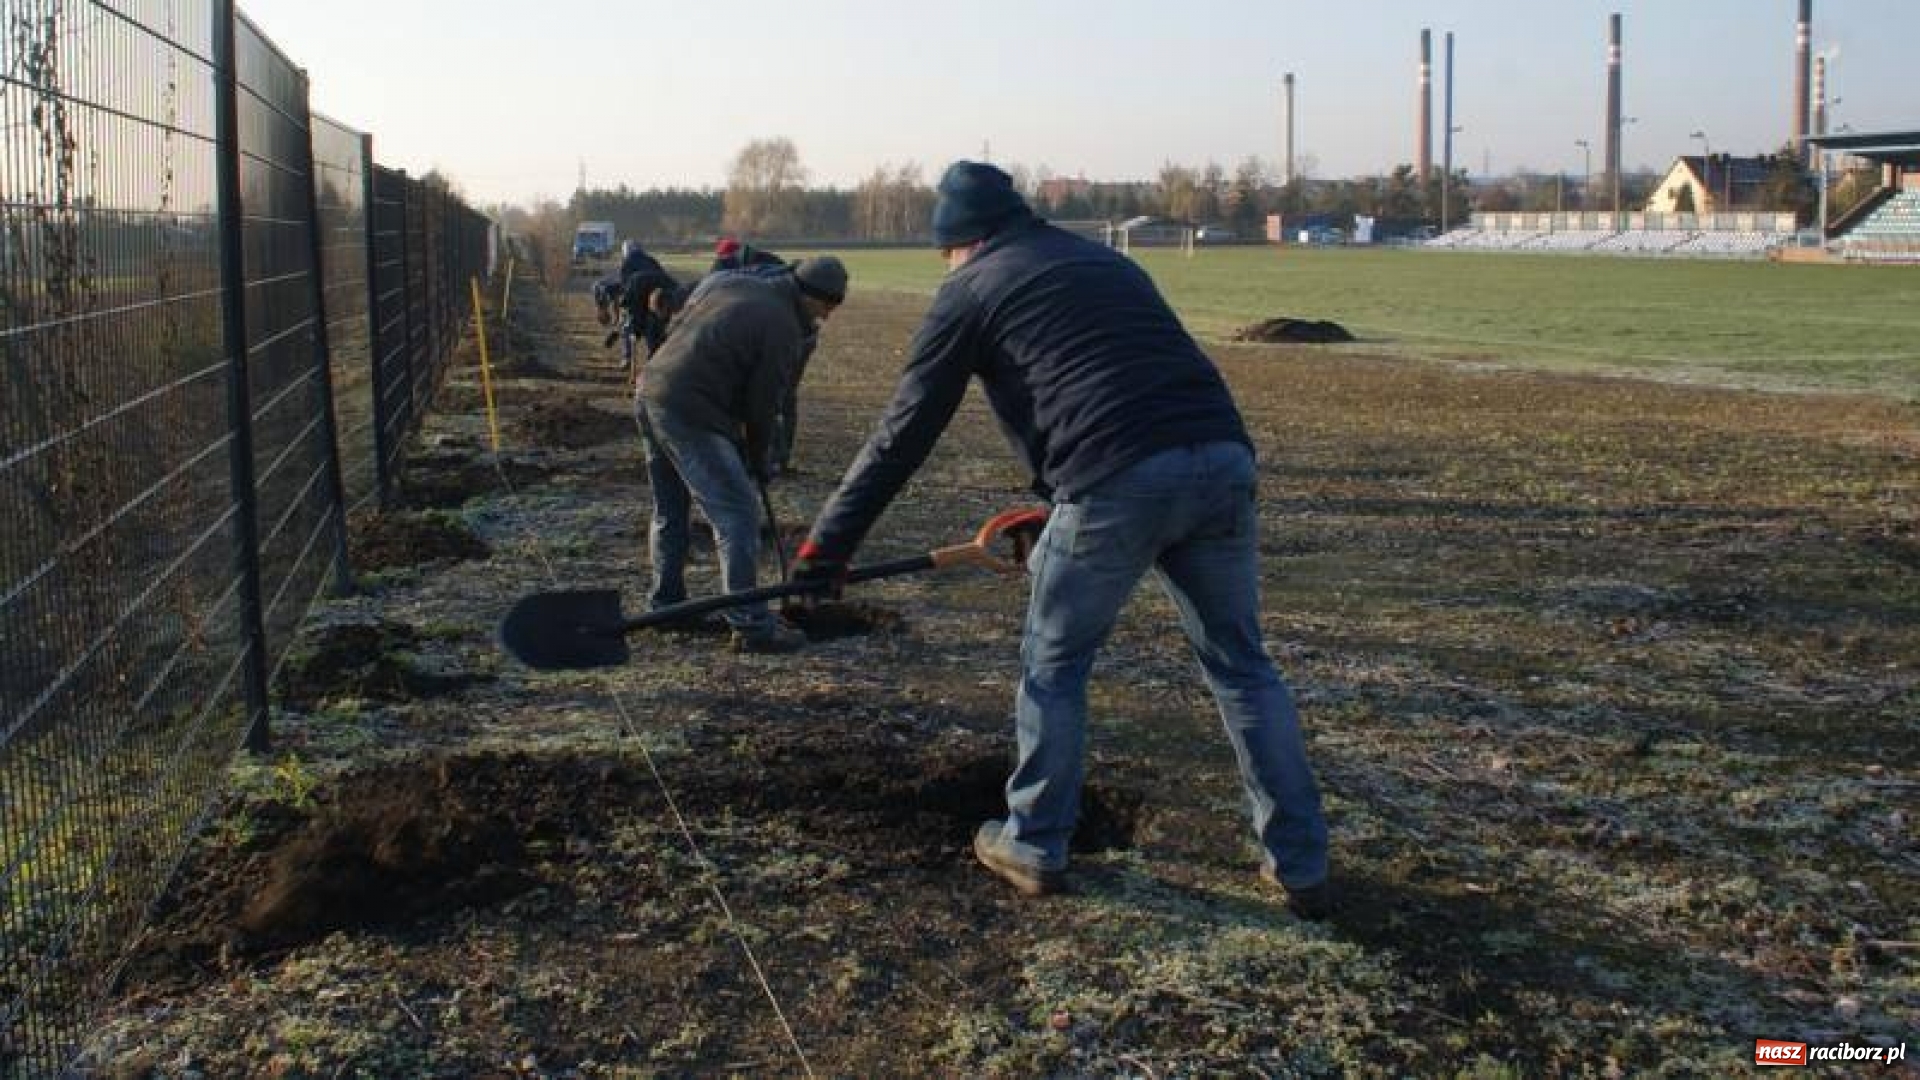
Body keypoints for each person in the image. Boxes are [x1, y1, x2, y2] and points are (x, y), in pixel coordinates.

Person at [790, 161, 1332, 917]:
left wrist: (825, 551)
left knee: (1054, 665)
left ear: (961, 241)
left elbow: (901, 435)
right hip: (1221, 459)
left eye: (945, 253)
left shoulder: (970, 289)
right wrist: (1059, 498)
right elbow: (1114, 375)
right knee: (1243, 667)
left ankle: (1035, 842)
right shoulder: (1103, 260)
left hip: (1116, 478)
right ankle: (1302, 864)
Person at [636, 254, 849, 653]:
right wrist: (759, 455)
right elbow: (763, 404)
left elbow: (679, 316)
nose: (826, 319)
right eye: (828, 309)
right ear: (816, 299)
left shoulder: (732, 281)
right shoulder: (783, 326)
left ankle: (667, 606)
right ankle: (751, 626)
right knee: (738, 513)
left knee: (670, 509)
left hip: (651, 390)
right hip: (690, 410)